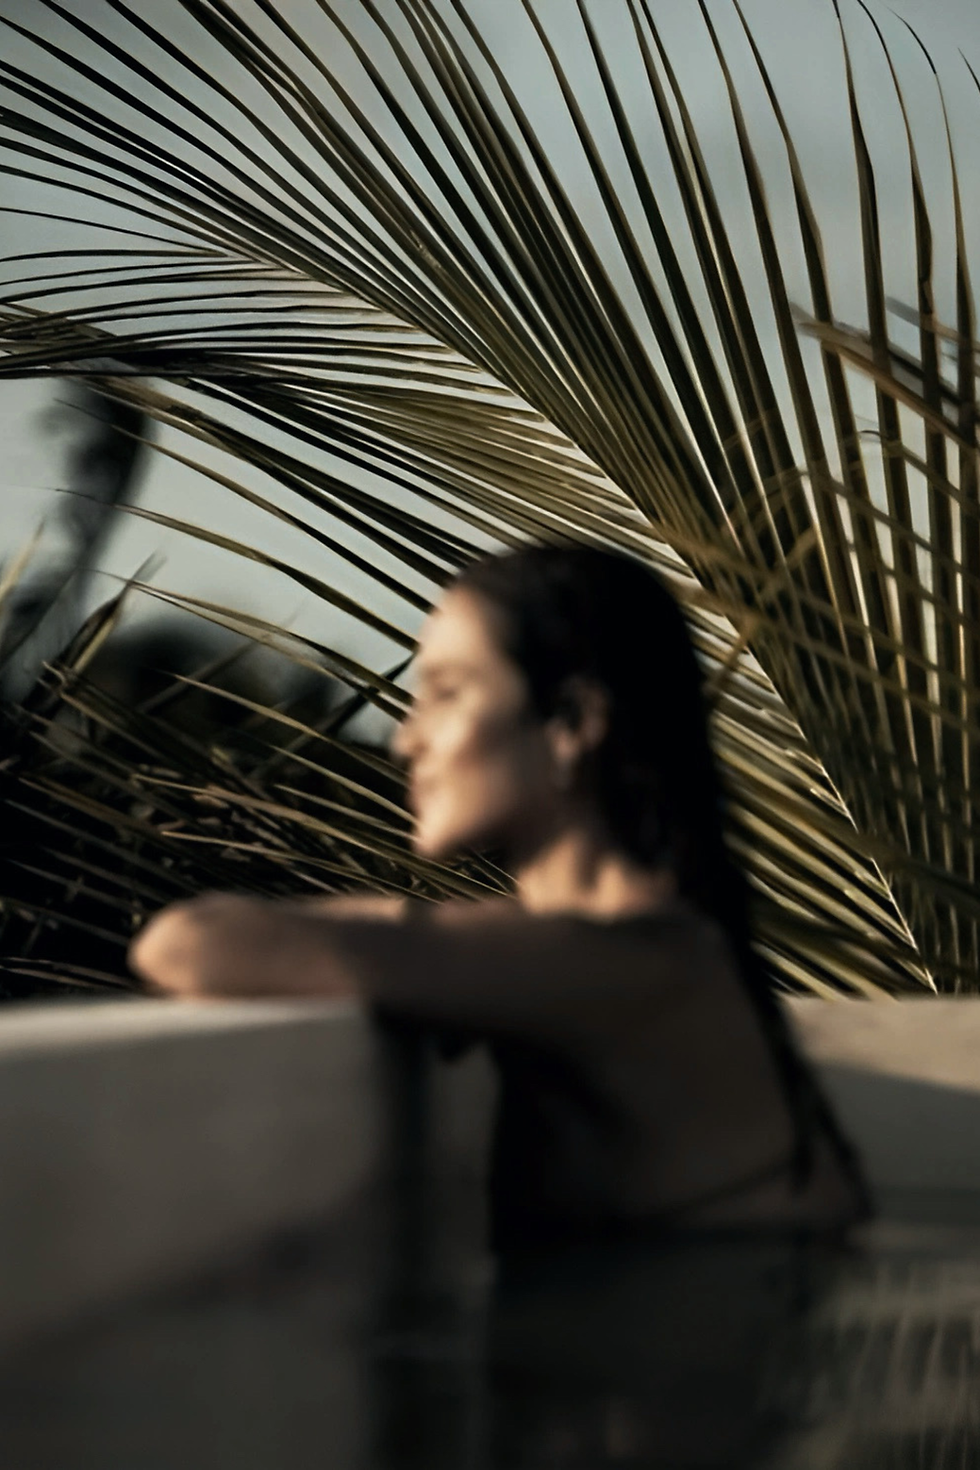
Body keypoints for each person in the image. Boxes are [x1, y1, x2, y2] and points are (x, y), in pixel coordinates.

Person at [130, 545, 871, 1252]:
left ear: (571, 723)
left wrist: (405, 932)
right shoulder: (656, 945)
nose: (406, 740)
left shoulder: (616, 961)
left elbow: (184, 946)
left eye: (447, 693)